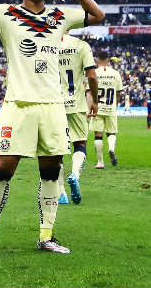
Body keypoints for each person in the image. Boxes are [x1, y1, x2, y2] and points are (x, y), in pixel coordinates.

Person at [0, 0, 104, 257]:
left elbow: (98, 15)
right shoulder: (6, 14)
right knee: (2, 169)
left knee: (51, 171)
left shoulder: (59, 15)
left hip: (53, 106)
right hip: (18, 105)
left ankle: (46, 236)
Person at [57, 32, 98, 205]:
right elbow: (92, 76)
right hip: (77, 104)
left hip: (53, 105)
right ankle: (75, 174)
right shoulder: (81, 45)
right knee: (80, 144)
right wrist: (95, 100)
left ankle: (61, 194)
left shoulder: (46, 44)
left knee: (55, 151)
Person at [92, 55, 125, 169]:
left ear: (97, 60)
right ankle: (111, 148)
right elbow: (119, 92)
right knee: (111, 133)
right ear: (108, 61)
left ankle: (100, 162)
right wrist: (115, 104)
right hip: (110, 107)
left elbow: (89, 91)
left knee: (98, 135)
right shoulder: (115, 73)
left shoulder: (94, 73)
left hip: (98, 107)